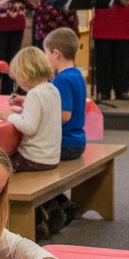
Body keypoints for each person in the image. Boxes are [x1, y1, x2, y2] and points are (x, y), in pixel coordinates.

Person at [0, 46, 62, 172]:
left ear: (25, 75)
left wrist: (9, 116)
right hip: (51, 157)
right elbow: (45, 113)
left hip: (34, 158)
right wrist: (23, 106)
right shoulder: (53, 89)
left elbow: (29, 127)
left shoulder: (34, 94)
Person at [45, 28, 86, 161]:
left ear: (56, 53)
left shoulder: (62, 79)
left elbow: (64, 116)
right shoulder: (77, 74)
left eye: (46, 53)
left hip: (65, 144)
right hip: (77, 142)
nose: (46, 58)